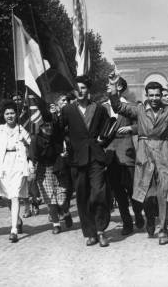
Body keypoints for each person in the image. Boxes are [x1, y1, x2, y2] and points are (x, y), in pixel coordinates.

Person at [108, 73, 168, 246]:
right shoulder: (139, 109)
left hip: (163, 153)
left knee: (163, 193)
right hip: (145, 155)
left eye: (157, 95)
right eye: (152, 95)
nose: (155, 98)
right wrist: (113, 87)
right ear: (146, 95)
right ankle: (149, 218)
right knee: (146, 195)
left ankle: (163, 229)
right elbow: (118, 107)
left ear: (161, 95)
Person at [61, 75, 111, 247]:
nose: (80, 91)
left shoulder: (99, 109)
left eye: (83, 88)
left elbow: (108, 129)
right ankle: (90, 233)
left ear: (88, 90)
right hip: (77, 159)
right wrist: (68, 144)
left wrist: (102, 141)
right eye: (77, 88)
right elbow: (60, 130)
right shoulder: (67, 110)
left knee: (98, 193)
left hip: (96, 158)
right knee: (82, 196)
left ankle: (101, 230)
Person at [101, 77, 145, 235]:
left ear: (118, 87)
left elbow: (142, 124)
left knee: (132, 188)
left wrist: (131, 129)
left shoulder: (130, 106)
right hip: (109, 153)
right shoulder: (102, 107)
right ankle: (127, 222)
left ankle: (138, 213)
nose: (107, 87)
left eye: (110, 85)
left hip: (127, 152)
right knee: (118, 191)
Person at [0, 100, 32, 243]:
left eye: (12, 113)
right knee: (6, 196)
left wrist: (25, 144)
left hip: (18, 163)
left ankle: (13, 230)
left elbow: (31, 148)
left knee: (15, 195)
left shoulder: (21, 129)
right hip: (3, 164)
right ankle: (17, 219)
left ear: (16, 114)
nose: (10, 116)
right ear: (3, 115)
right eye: (7, 113)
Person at [30, 116, 70, 234]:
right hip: (43, 170)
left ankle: (66, 212)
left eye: (49, 125)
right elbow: (33, 156)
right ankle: (56, 224)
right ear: (40, 127)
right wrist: (32, 168)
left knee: (61, 199)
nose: (48, 128)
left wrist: (63, 155)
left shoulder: (57, 137)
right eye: (45, 125)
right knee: (50, 200)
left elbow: (64, 148)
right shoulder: (35, 139)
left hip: (58, 168)